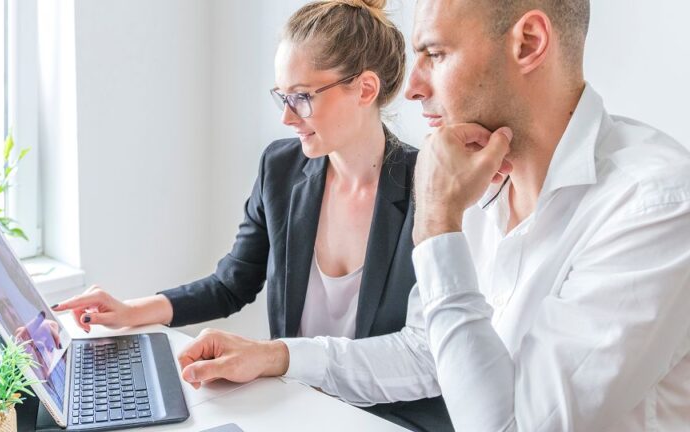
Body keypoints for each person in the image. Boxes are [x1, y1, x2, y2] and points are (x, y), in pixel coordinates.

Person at [175, 0, 690, 430]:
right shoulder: (483, 180)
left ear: (529, 43)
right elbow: (427, 353)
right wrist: (278, 356)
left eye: (435, 54)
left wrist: (438, 223)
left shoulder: (655, 204)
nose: (414, 86)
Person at [52, 1, 452, 430]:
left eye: (301, 97)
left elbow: (424, 354)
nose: (285, 116)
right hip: (291, 404)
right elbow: (232, 283)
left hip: (389, 420)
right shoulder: (280, 168)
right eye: (282, 95)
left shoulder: (430, 188)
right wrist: (132, 311)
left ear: (365, 89)